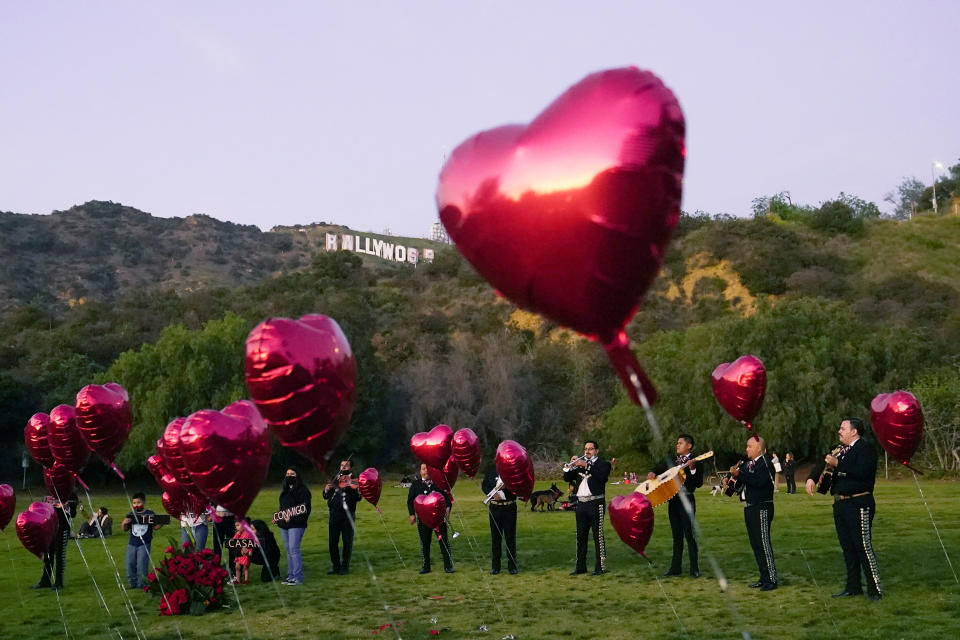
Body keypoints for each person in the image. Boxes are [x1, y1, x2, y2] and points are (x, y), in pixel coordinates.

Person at [805, 418, 882, 601]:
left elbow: (862, 471)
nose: (839, 431)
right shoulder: (838, 450)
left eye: (843, 428)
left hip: (859, 502)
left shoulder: (865, 449)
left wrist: (838, 464)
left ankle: (875, 589)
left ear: (854, 432)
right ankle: (853, 586)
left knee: (863, 546)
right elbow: (823, 462)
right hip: (841, 504)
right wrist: (812, 478)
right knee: (848, 547)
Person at [649, 434, 703, 578]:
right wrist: (653, 471)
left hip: (687, 500)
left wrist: (692, 469)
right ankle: (675, 567)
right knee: (676, 535)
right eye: (677, 443)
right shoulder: (673, 460)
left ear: (689, 445)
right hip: (674, 501)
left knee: (689, 535)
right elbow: (660, 466)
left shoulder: (696, 461)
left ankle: (694, 568)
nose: (677, 445)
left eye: (680, 443)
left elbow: (698, 483)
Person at [729, 436, 777, 591]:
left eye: (750, 446)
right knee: (755, 544)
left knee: (763, 543)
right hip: (749, 507)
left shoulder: (766, 464)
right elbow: (740, 485)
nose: (747, 449)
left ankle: (771, 578)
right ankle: (763, 577)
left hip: (762, 507)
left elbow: (758, 482)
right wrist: (730, 483)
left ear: (759, 448)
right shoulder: (747, 465)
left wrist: (740, 474)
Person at [563, 440, 611, 575]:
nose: (587, 451)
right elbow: (567, 478)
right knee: (581, 536)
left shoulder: (603, 464)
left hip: (596, 503)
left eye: (590, 449)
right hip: (581, 505)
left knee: (598, 536)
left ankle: (600, 567)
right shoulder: (579, 465)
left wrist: (586, 465)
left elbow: (601, 477)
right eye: (585, 449)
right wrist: (571, 466)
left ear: (596, 451)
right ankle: (580, 566)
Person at [407, 463, 454, 574]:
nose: (426, 471)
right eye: (423, 469)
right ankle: (425, 566)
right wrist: (412, 514)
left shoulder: (438, 483)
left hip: (439, 519)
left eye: (428, 469)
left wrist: (448, 509)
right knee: (425, 543)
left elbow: (447, 499)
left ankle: (448, 566)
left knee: (444, 542)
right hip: (423, 520)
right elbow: (410, 501)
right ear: (420, 471)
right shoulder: (415, 485)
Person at [322, 459, 362, 575]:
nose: (343, 467)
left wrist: (351, 484)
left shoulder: (355, 479)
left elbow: (359, 497)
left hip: (348, 515)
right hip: (334, 514)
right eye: (342, 465)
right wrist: (326, 489)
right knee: (332, 541)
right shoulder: (335, 479)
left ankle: (345, 567)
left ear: (350, 467)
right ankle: (335, 566)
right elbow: (326, 496)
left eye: (346, 465)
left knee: (347, 541)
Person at [32, 492, 78, 590]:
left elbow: (73, 514)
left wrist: (65, 505)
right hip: (50, 528)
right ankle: (45, 580)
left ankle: (59, 582)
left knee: (60, 556)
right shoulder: (50, 493)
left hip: (62, 528)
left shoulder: (70, 494)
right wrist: (44, 501)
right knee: (48, 555)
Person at [276, 467, 312, 585]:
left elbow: (305, 508)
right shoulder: (285, 491)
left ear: (297, 476)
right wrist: (279, 517)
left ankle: (298, 577)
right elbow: (282, 507)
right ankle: (291, 575)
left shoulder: (303, 491)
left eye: (292, 474)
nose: (289, 476)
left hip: (297, 524)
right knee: (288, 550)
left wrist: (291, 516)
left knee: (294, 549)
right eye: (287, 474)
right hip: (284, 525)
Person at [122, 492, 163, 589]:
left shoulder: (149, 513)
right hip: (132, 544)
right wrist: (124, 523)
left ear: (144, 502)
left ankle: (142, 584)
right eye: (134, 503)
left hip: (144, 544)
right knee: (130, 564)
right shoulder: (131, 515)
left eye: (138, 502)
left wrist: (162, 523)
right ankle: (132, 583)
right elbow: (124, 529)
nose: (136, 505)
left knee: (142, 564)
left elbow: (156, 527)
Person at [482, 465, 518, 575]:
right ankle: (495, 566)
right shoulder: (491, 469)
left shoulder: (512, 470)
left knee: (510, 538)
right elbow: (485, 485)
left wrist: (507, 487)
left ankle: (512, 566)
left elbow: (518, 488)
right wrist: (492, 494)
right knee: (496, 538)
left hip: (509, 507)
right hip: (495, 508)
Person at [232, 520, 254, 585]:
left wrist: (250, 551)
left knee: (245, 567)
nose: (236, 527)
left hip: (245, 553)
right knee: (237, 567)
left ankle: (246, 579)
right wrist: (237, 535)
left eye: (238, 525)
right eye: (236, 526)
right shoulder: (237, 533)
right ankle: (238, 579)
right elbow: (233, 541)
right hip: (239, 553)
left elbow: (250, 543)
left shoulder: (248, 534)